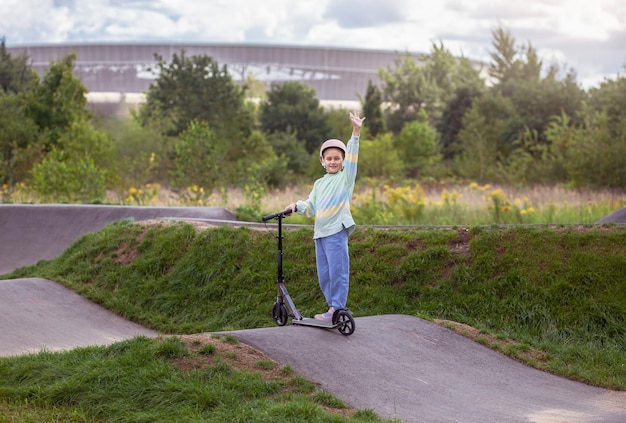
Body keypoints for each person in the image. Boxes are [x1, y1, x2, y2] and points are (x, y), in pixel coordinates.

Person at [284, 111, 365, 320]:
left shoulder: (345, 178)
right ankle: (333, 309)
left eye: (337, 158)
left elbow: (353, 158)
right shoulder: (319, 184)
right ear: (322, 161)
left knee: (338, 273)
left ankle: (338, 308)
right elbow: (310, 206)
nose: (333, 161)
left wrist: (355, 132)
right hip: (320, 234)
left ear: (342, 160)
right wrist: (297, 206)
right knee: (325, 276)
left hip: (336, 231)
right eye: (329, 158)